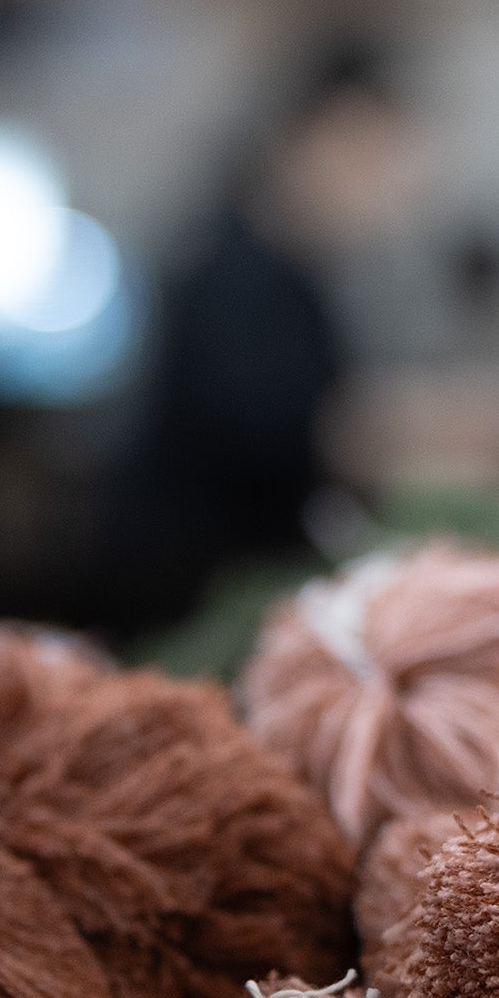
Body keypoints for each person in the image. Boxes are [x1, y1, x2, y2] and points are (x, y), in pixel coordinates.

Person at [103, 35, 422, 630]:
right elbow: (264, 427)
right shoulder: (232, 271)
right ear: (302, 143)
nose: (386, 185)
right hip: (190, 595)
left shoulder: (305, 279)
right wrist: (415, 428)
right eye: (366, 154)